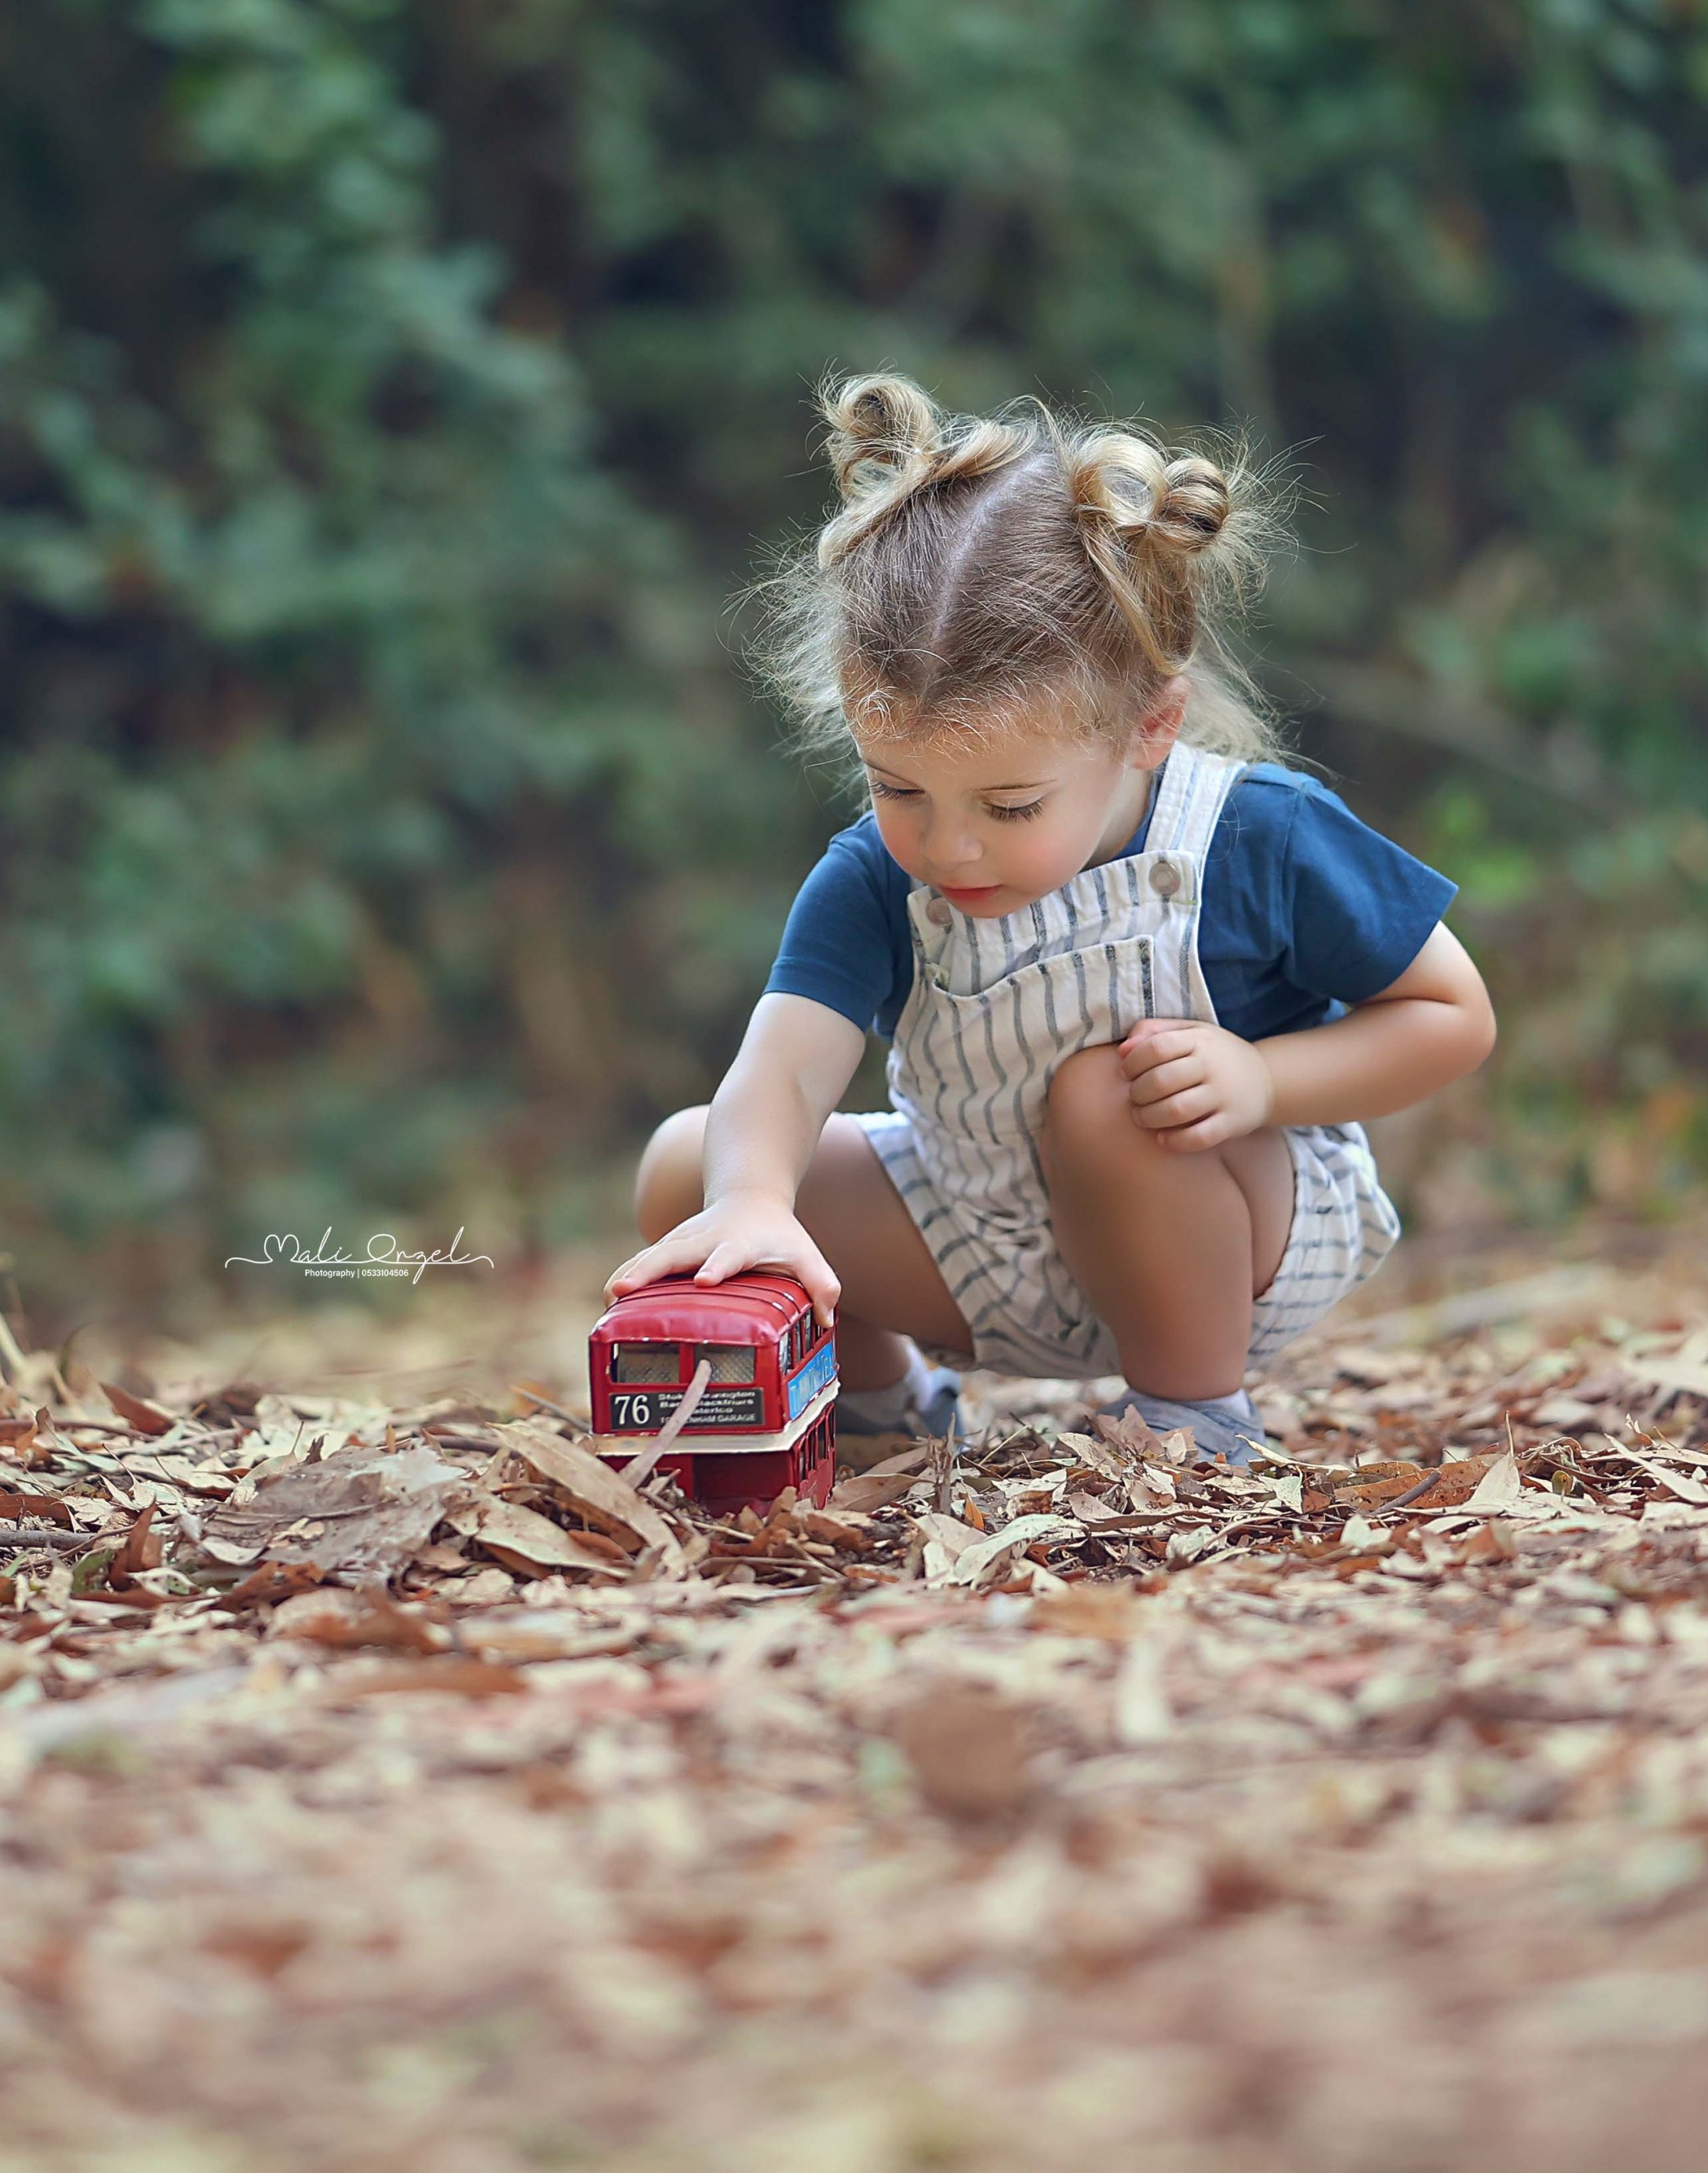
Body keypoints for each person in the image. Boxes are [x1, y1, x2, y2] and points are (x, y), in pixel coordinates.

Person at [608, 373, 1497, 1462]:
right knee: (686, 1162)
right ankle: (880, 1395)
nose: (949, 847)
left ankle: (1193, 1414)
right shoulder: (874, 879)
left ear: (1149, 725)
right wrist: (752, 1198)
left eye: (1011, 805)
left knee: (1106, 1092)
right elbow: (784, 1070)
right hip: (980, 1241)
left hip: (1220, 1233)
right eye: (899, 788)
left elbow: (1454, 1014)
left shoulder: (1257, 835)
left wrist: (1265, 1080)